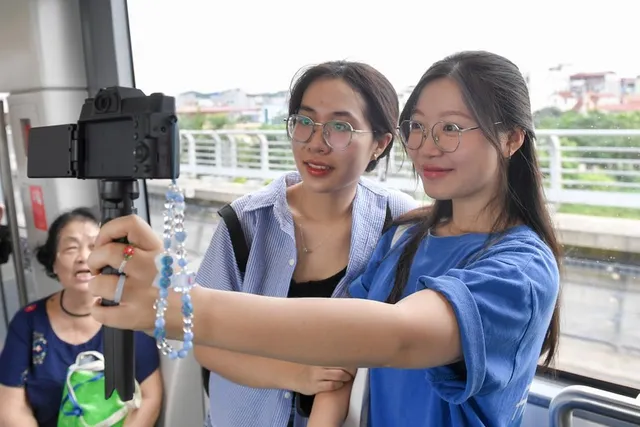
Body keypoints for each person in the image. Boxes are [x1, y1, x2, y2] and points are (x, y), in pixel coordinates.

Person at [86, 50, 562, 427]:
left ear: (511, 139)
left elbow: (396, 337)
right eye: (417, 127)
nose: (427, 145)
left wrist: (184, 304)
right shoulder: (407, 236)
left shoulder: (520, 267)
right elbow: (341, 352)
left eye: (452, 128)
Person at [195, 60, 417, 427]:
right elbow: (203, 340)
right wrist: (294, 375)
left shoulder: (397, 223)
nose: (316, 143)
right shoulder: (245, 222)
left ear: (379, 144)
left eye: (340, 128)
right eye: (304, 122)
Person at [0, 208, 163, 427]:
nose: (83, 257)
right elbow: (11, 405)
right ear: (54, 263)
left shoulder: (129, 316)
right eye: (70, 248)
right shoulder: (28, 322)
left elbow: (149, 397)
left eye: (93, 247)